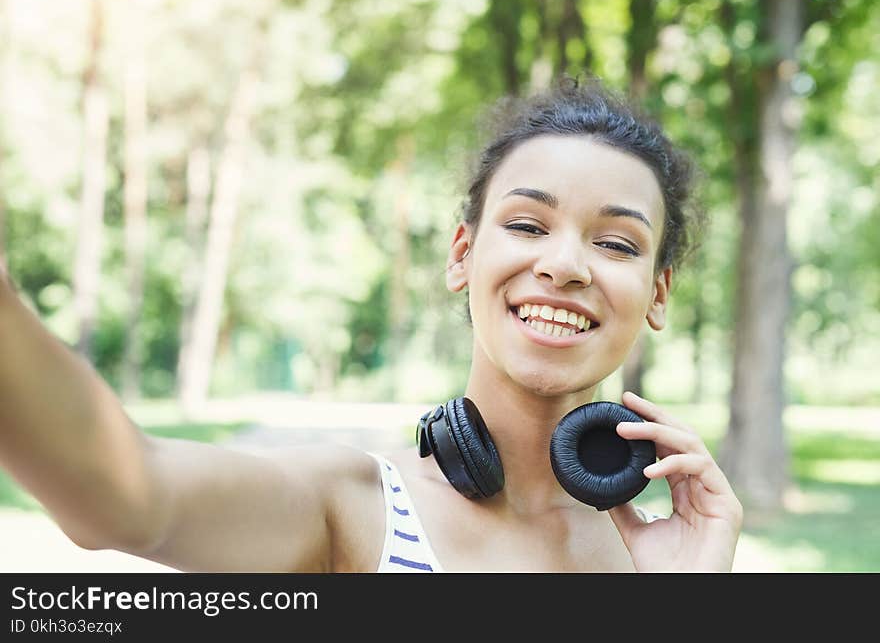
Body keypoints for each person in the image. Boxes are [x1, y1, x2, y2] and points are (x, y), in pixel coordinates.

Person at [0, 75, 742, 573]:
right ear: (463, 254)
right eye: (527, 223)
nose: (566, 264)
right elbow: (127, 495)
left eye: (615, 243)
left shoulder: (662, 554)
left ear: (658, 290)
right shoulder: (353, 505)